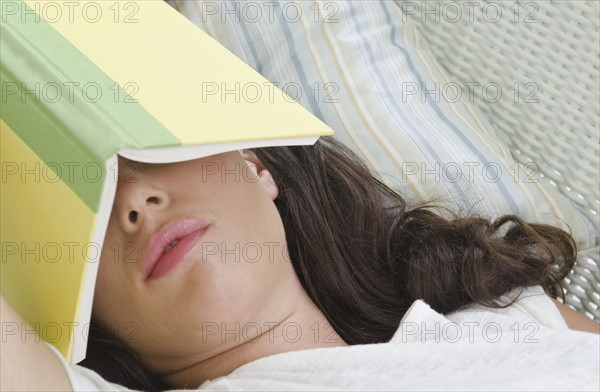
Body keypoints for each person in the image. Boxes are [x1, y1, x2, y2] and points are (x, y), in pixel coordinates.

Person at [2, 138, 599, 392]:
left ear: (255, 165)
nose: (132, 199)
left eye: (146, 149)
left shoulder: (504, 321)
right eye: (82, 205)